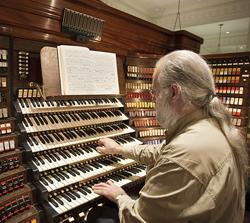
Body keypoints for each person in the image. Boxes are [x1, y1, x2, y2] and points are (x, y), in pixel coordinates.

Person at [91, 50, 248, 223]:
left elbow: (139, 219)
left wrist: (120, 197)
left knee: (98, 215)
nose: (154, 100)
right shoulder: (210, 125)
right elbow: (163, 151)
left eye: (155, 92)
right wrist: (118, 149)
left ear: (174, 92)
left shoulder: (185, 152)